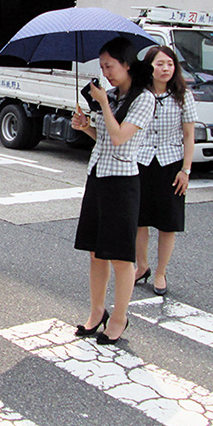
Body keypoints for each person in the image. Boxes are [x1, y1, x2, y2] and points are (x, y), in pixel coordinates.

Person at [70, 37, 153, 345]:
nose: (105, 72)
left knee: (120, 256)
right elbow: (103, 138)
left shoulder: (144, 99)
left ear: (127, 64)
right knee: (95, 252)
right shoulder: (114, 96)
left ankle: (119, 318)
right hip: (98, 176)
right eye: (102, 66)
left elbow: (120, 138)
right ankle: (96, 312)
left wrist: (103, 104)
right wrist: (85, 127)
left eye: (110, 66)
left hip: (122, 183)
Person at [134, 46, 198, 296]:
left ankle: (160, 273)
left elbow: (189, 135)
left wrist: (186, 170)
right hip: (140, 161)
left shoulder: (183, 95)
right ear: (149, 67)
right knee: (139, 220)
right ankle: (142, 266)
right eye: (160, 64)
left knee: (167, 223)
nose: (165, 69)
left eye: (170, 64)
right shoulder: (140, 94)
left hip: (171, 164)